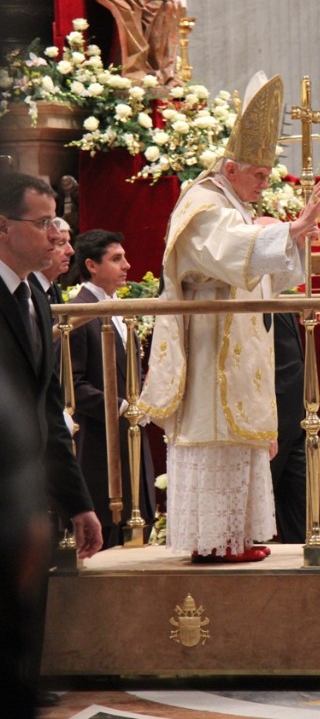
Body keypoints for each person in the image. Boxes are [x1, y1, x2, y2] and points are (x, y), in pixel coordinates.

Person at [139, 71, 320, 563]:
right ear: (231, 167)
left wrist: (292, 238)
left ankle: (235, 537)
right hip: (210, 352)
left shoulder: (233, 205)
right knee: (218, 438)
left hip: (235, 349)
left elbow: (268, 276)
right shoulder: (203, 203)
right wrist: (287, 231)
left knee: (238, 442)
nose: (266, 184)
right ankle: (214, 540)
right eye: (260, 175)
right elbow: (226, 251)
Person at [0, 171, 102, 717]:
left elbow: (48, 410)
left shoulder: (36, 299)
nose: (53, 235)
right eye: (41, 224)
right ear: (2, 227)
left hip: (25, 489)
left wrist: (78, 501)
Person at [68, 229, 156, 548]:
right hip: (99, 441)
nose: (127, 266)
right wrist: (120, 406)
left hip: (129, 433)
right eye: (116, 259)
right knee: (109, 534)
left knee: (137, 526)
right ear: (91, 265)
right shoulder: (79, 313)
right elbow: (72, 385)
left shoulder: (118, 306)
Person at [271, 312, 307, 543]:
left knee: (299, 500)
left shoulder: (275, 287)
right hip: (271, 412)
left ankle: (306, 552)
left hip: (296, 409)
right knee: (262, 496)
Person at [29, 216, 74, 307]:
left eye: (69, 242)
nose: (71, 251)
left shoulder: (53, 288)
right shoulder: (26, 289)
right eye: (61, 243)